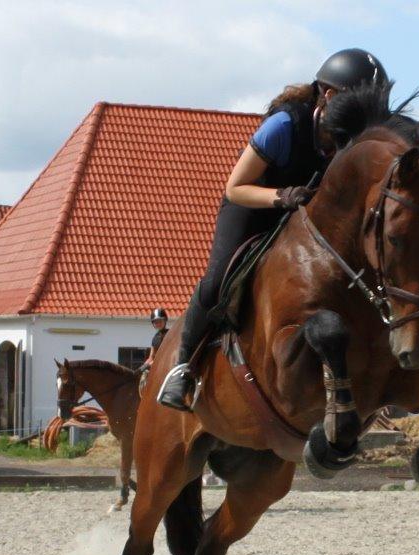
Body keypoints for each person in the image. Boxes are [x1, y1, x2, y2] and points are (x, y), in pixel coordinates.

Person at [157, 48, 388, 411]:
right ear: (329, 97)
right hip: (253, 207)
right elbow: (235, 186)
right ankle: (184, 366)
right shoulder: (284, 125)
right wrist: (281, 196)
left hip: (304, 218)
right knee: (219, 278)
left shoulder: (350, 141)